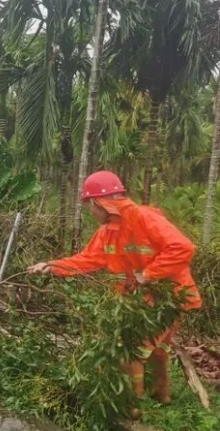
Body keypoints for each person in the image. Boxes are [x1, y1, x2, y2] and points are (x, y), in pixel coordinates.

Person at [27, 171, 201, 416]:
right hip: (139, 301)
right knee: (158, 345)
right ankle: (162, 394)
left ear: (99, 202)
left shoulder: (144, 217)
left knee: (131, 349)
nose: (90, 212)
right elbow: (87, 259)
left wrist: (146, 275)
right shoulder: (107, 231)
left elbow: (183, 248)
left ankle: (130, 408)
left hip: (170, 299)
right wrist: (51, 266)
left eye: (89, 206)